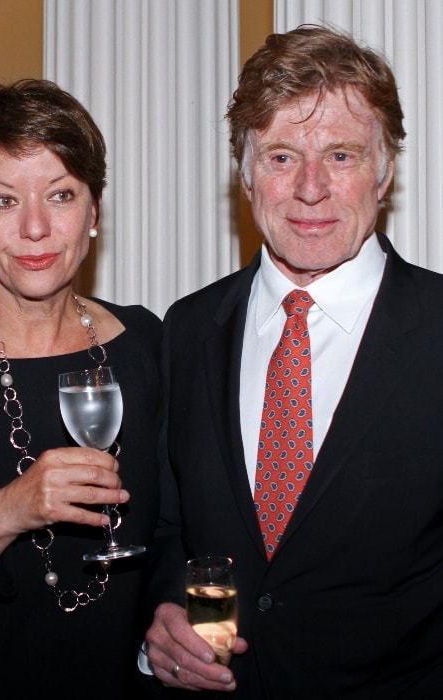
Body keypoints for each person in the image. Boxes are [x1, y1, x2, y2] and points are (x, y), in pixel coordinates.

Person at [136, 24, 443, 699]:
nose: (310, 188)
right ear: (243, 173)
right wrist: (160, 615)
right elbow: (168, 528)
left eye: (341, 155)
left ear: (385, 169)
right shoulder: (185, 330)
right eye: (280, 157)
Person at [0, 79, 161, 698]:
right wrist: (7, 510)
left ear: (95, 212)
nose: (36, 228)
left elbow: (179, 527)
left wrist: (172, 613)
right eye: (5, 201)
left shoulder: (145, 342)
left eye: (61, 195)